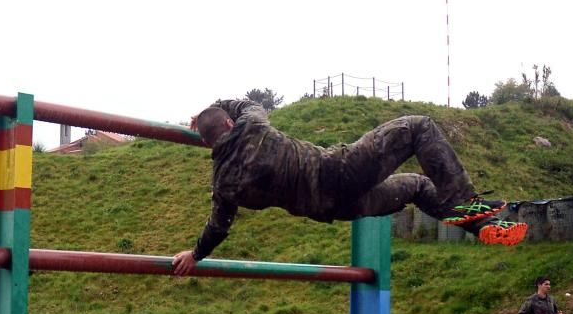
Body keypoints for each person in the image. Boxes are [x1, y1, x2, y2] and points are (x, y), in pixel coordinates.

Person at [171, 99, 527, 276]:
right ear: (230, 123)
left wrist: (196, 255)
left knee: (418, 186)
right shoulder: (250, 126)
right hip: (339, 174)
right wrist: (216, 103)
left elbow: (219, 226)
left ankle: (483, 228)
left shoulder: (224, 183)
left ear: (206, 143)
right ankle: (470, 207)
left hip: (335, 209)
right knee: (418, 128)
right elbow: (250, 103)